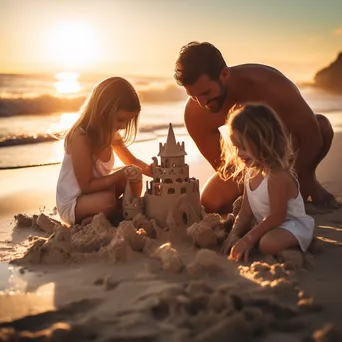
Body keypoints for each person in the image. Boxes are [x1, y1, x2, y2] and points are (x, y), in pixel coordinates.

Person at [174, 41, 335, 214]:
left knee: (322, 126)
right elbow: (224, 167)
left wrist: (297, 186)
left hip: (285, 154)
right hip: (246, 162)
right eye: (193, 95)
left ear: (224, 73)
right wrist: (255, 194)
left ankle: (308, 182)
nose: (202, 102)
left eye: (206, 93)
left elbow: (312, 136)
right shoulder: (195, 114)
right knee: (211, 202)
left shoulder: (268, 84)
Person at [220, 104, 315, 263]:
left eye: (243, 147)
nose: (238, 153)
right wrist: (233, 235)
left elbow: (278, 216)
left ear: (263, 141)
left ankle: (303, 243)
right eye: (236, 147)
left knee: (267, 244)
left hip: (291, 225)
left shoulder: (276, 175)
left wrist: (248, 239)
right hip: (271, 225)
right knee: (260, 237)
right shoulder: (251, 173)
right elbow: (245, 212)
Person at [56, 77, 152, 226]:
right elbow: (86, 185)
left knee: (134, 173)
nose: (124, 126)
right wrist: (119, 174)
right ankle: (107, 215)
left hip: (97, 194)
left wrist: (153, 171)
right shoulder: (80, 137)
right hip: (74, 203)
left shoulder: (111, 135)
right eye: (121, 119)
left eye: (128, 121)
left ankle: (119, 211)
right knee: (108, 200)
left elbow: (132, 161)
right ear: (104, 111)